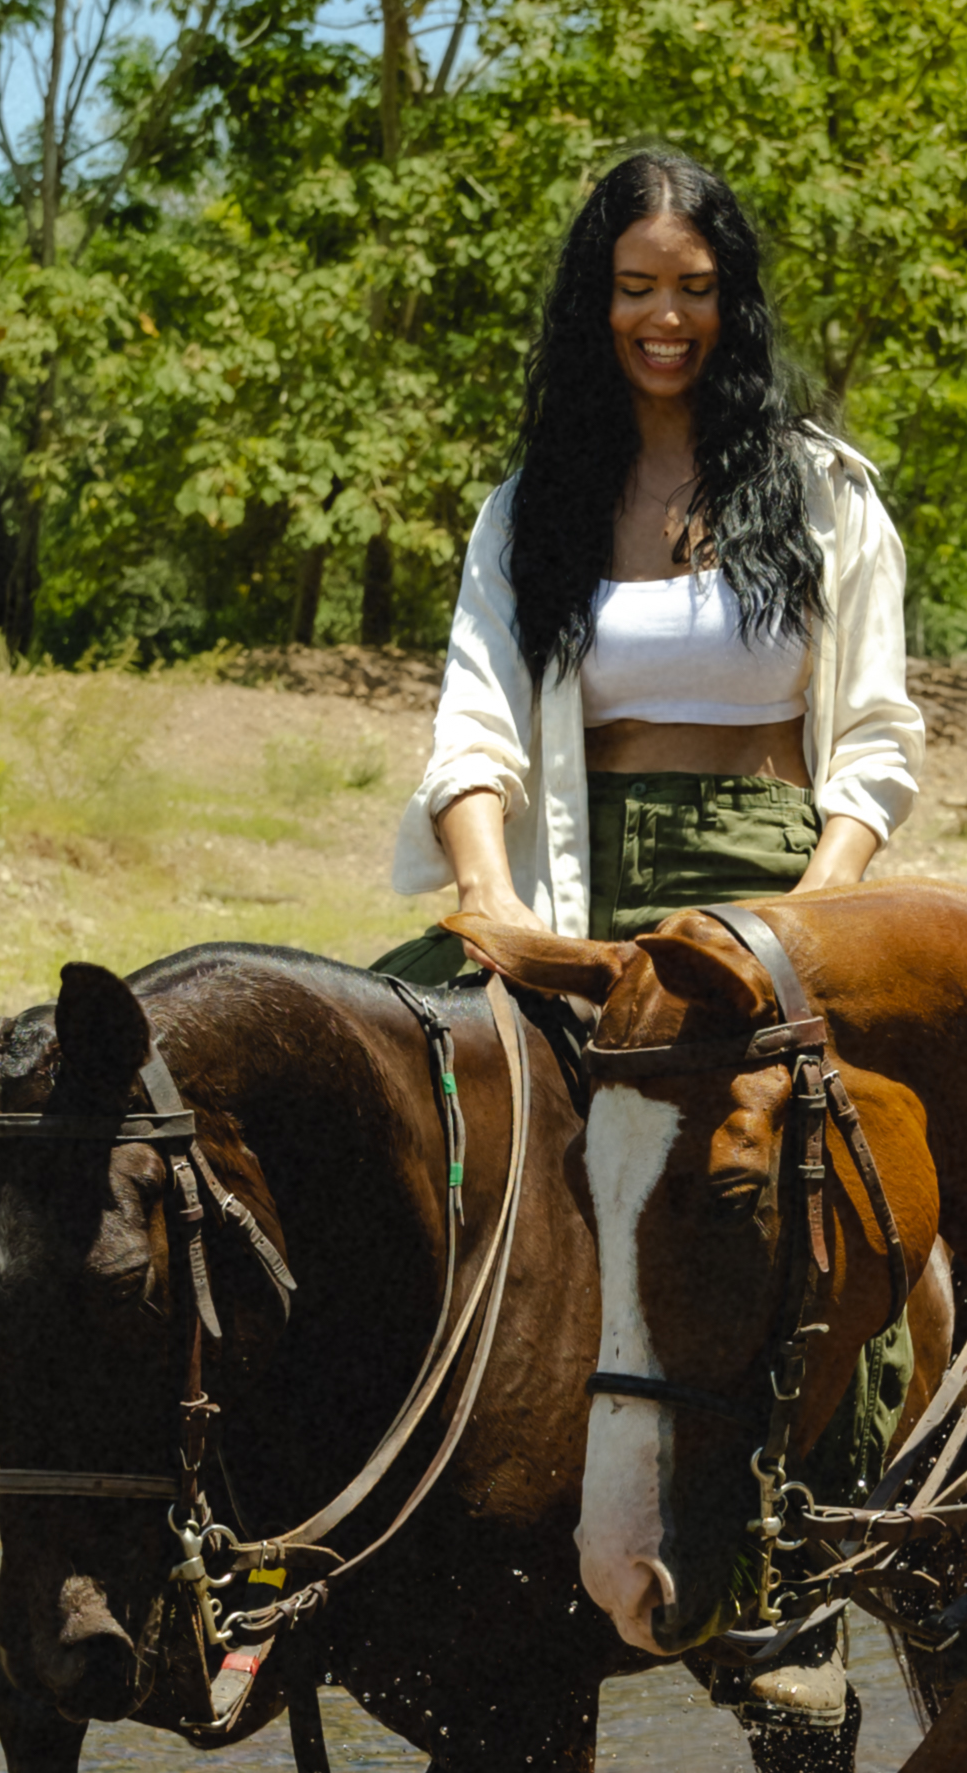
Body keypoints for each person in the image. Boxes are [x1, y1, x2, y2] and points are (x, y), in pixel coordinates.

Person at [388, 146, 923, 1689]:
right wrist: (486, 899)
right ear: (594, 299)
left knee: (830, 1153)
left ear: (732, 300)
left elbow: (876, 737)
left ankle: (825, 1521)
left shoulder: (825, 491)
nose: (664, 318)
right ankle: (379, 1522)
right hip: (558, 881)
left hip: (765, 881)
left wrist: (817, 914)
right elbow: (474, 726)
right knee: (385, 1085)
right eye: (635, 289)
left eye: (693, 289)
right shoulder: (531, 502)